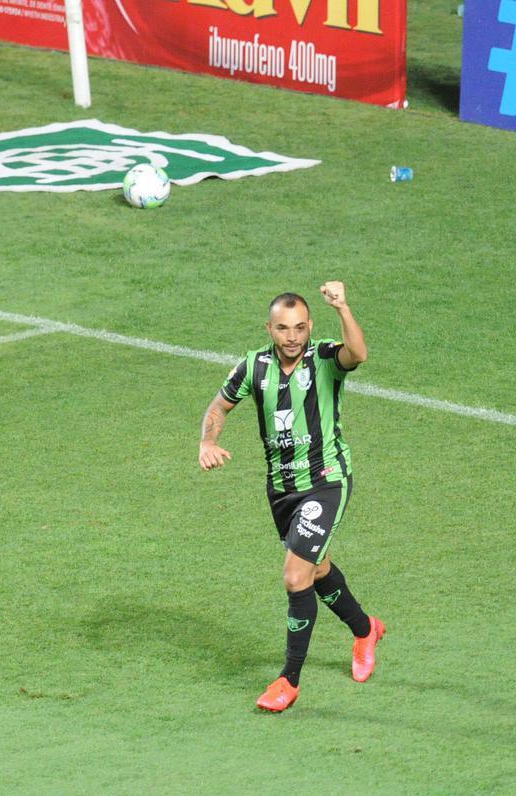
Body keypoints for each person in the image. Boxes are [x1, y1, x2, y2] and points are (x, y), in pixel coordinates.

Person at [199, 282, 384, 712]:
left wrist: (344, 307)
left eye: (300, 327)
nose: (293, 337)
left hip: (326, 480)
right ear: (269, 328)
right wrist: (207, 441)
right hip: (281, 491)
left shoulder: (322, 358)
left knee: (295, 576)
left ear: (310, 326)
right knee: (317, 569)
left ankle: (288, 679)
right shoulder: (254, 366)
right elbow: (218, 407)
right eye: (283, 329)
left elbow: (357, 354)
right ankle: (364, 629)